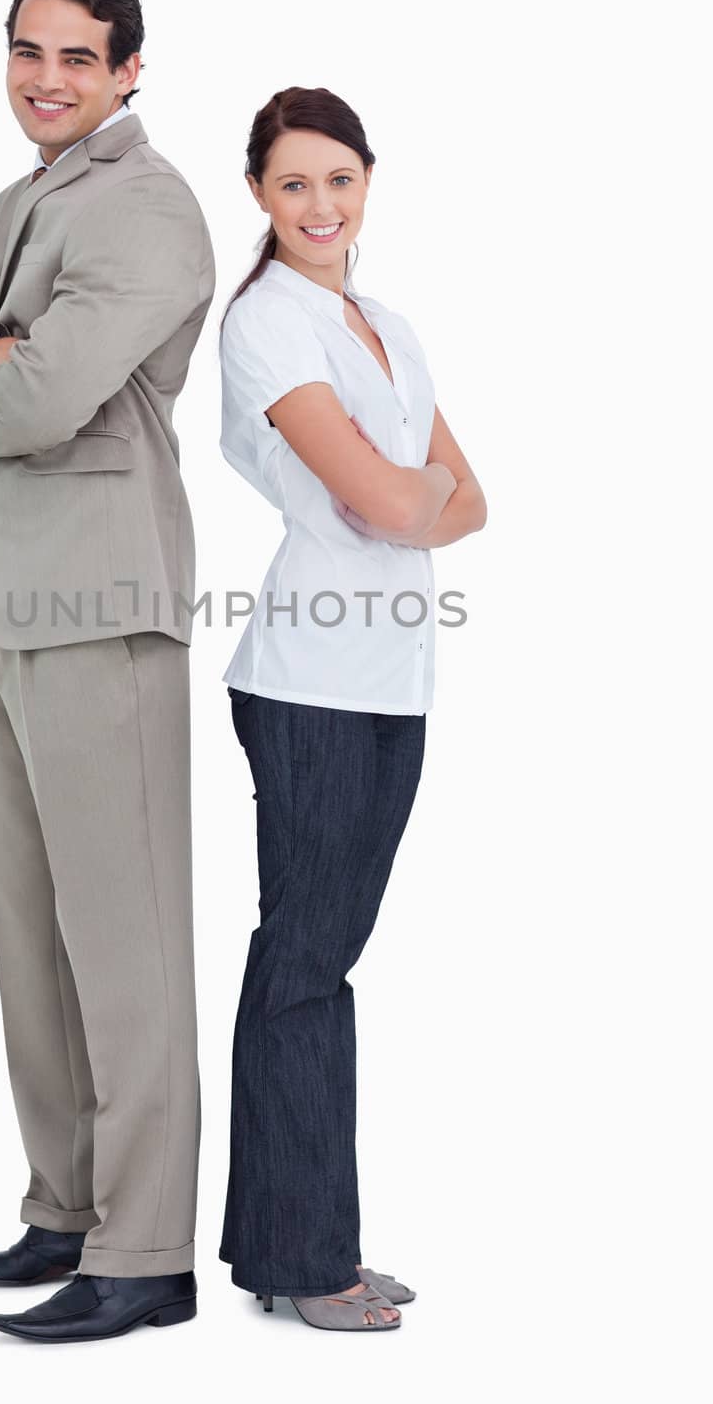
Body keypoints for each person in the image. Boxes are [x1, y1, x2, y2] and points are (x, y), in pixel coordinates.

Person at [0, 0, 215, 1344]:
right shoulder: (4, 208)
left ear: (129, 70)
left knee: (123, 944)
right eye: (27, 51)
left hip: (98, 600)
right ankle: (61, 1210)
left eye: (78, 56)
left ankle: (145, 1251)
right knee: (32, 935)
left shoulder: (145, 205)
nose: (47, 78)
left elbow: (53, 392)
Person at [217, 86, 487, 1331]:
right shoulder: (268, 323)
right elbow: (393, 509)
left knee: (328, 960)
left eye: (337, 179)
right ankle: (298, 1253)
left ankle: (314, 1235)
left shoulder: (385, 324)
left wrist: (402, 490)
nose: (318, 205)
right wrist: (403, 495)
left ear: (367, 182)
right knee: (303, 959)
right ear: (259, 197)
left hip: (393, 680)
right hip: (307, 680)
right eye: (291, 185)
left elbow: (465, 503)